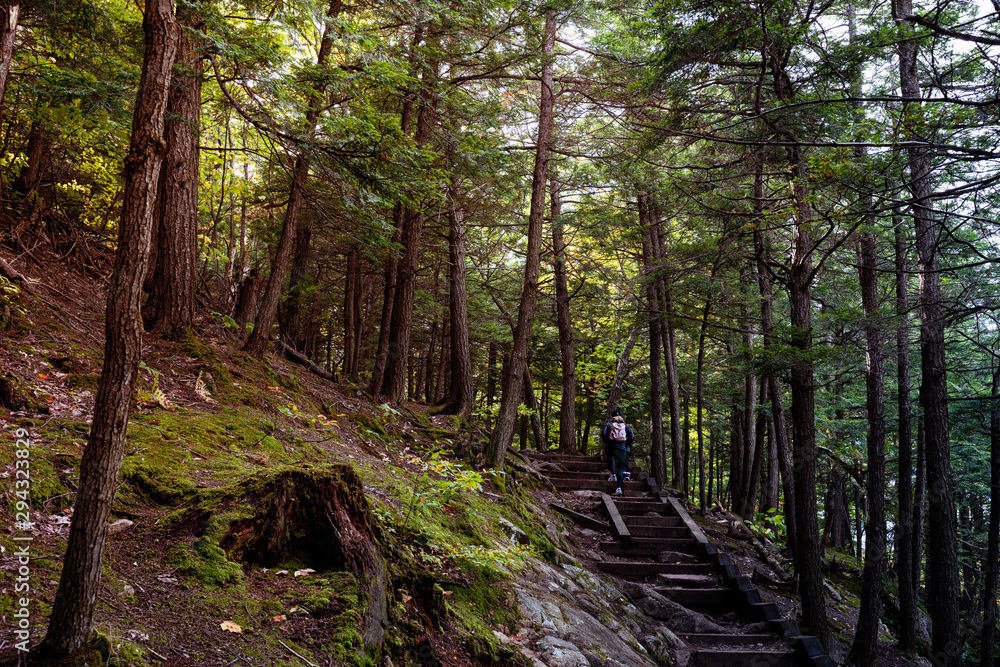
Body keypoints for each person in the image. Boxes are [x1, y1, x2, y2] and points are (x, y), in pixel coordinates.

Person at [601, 409, 634, 496]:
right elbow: (631, 436)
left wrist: (607, 442)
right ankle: (618, 488)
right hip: (621, 448)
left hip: (610, 447)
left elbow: (603, 434)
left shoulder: (609, 424)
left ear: (612, 416)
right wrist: (625, 444)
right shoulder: (626, 426)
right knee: (620, 468)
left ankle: (613, 475)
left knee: (610, 460)